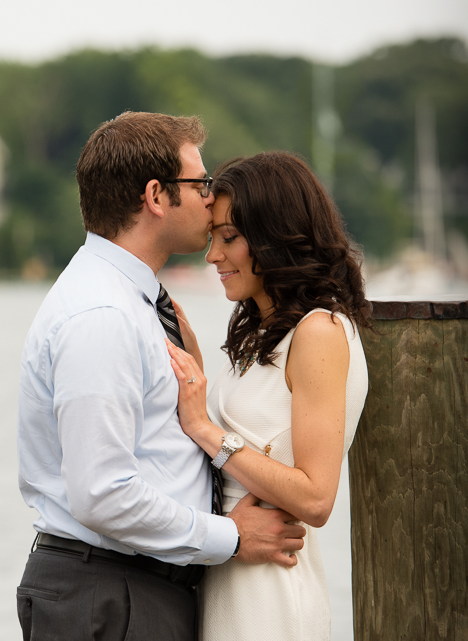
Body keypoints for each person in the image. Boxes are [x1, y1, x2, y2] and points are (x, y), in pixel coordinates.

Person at [15, 113, 307, 641]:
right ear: (156, 195)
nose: (209, 197)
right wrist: (231, 536)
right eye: (200, 184)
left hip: (130, 589)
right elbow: (101, 493)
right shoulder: (102, 315)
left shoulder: (134, 300)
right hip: (110, 595)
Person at [166, 151, 371, 641]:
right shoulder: (263, 333)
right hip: (233, 565)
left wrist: (205, 430)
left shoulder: (318, 331)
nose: (213, 254)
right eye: (214, 236)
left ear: (276, 236)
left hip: (270, 591)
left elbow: (317, 498)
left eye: (230, 237)